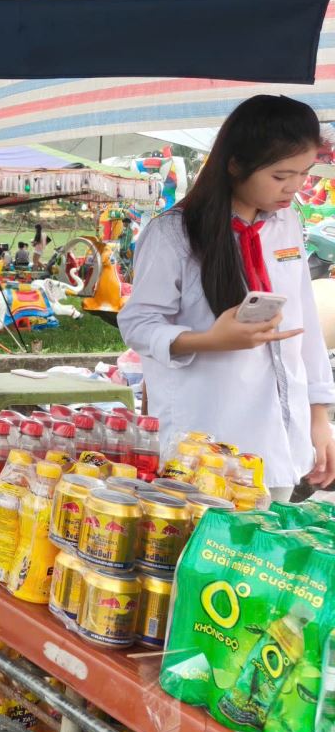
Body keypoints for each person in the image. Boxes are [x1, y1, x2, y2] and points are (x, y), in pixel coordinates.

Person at [120, 95, 335, 500]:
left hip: (277, 444)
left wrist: (319, 419)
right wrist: (211, 341)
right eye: (280, 175)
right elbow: (138, 324)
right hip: (204, 450)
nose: (295, 187)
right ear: (235, 165)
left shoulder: (286, 223)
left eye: (304, 173)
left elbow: (303, 320)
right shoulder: (173, 234)